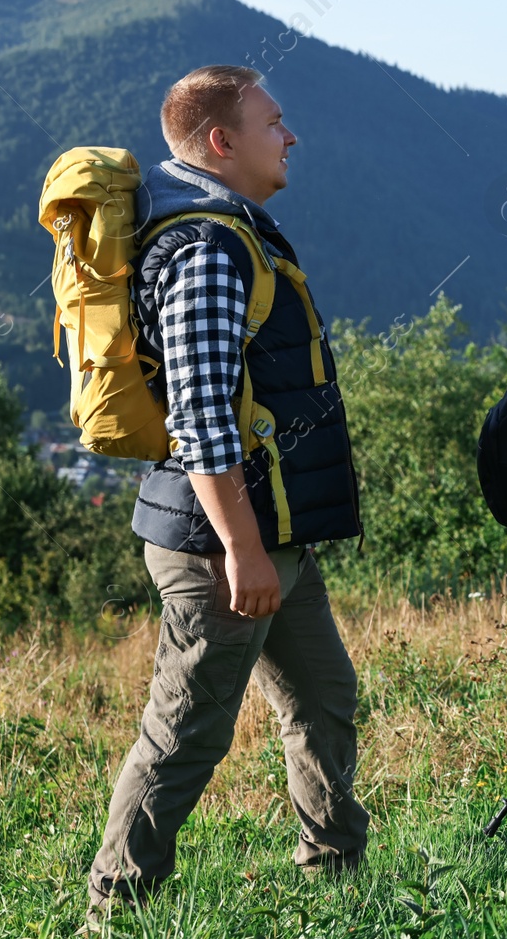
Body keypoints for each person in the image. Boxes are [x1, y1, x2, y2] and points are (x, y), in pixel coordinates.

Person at [86, 66, 367, 927]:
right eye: (274, 121)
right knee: (187, 729)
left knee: (322, 696)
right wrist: (242, 548)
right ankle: (117, 907)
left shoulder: (234, 230)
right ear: (222, 140)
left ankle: (335, 870)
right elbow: (203, 411)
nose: (290, 136)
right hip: (223, 540)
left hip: (265, 528)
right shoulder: (207, 248)